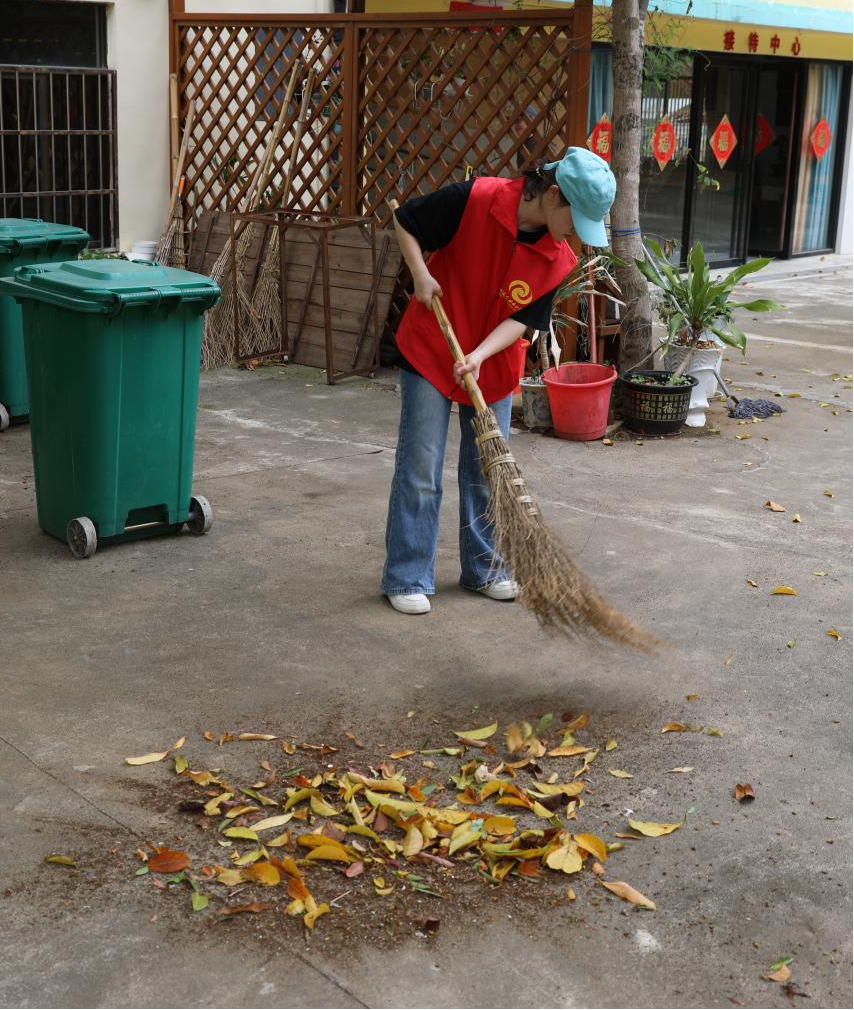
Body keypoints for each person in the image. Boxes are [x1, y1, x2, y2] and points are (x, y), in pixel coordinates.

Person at [382, 146, 617, 615]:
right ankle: (407, 575)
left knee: (486, 472)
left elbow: (524, 319)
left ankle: (485, 569)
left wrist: (478, 355)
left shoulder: (557, 258)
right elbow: (406, 220)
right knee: (421, 467)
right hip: (432, 346)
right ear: (553, 195)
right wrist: (421, 275)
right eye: (575, 221)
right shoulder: (477, 199)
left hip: (490, 362)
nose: (576, 235)